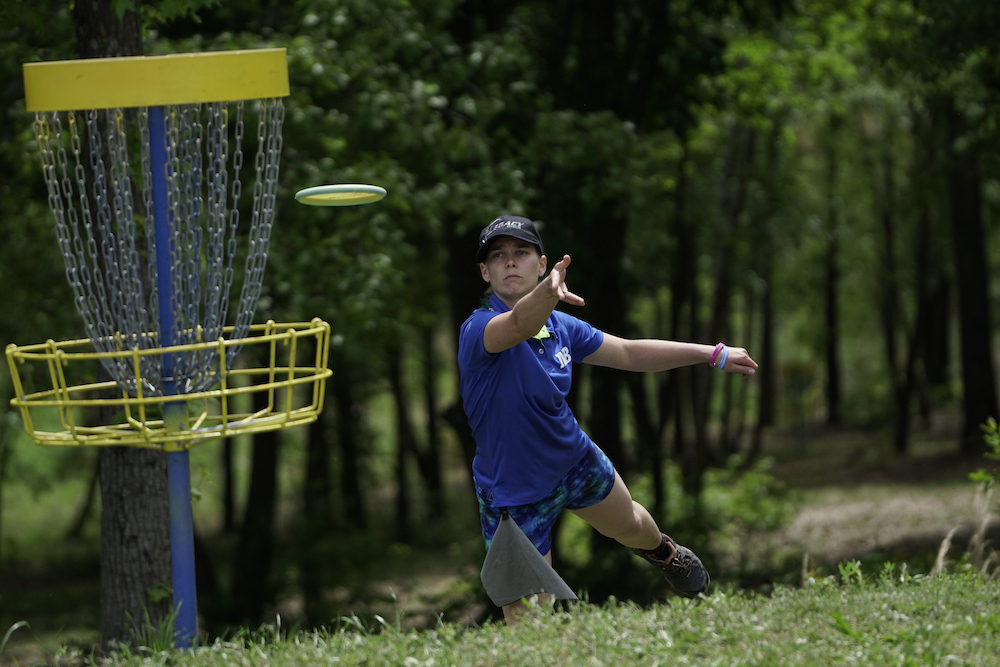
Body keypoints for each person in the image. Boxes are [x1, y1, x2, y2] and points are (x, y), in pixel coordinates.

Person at [458, 215, 759, 621]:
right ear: (485, 271)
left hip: (574, 461)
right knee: (528, 622)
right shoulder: (478, 329)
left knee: (632, 525)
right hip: (515, 492)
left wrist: (712, 353)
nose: (510, 262)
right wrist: (547, 294)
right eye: (498, 256)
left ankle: (666, 555)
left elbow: (629, 353)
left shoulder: (560, 326)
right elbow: (518, 324)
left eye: (521, 252)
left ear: (541, 263)